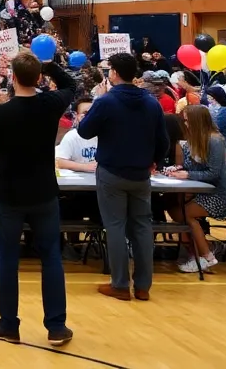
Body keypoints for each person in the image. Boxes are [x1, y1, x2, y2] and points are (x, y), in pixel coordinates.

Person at [0, 49, 76, 347]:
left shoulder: (2, 112)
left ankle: (9, 323)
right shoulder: (51, 103)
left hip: (8, 194)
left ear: (13, 77)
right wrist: (47, 67)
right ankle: (57, 326)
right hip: (44, 192)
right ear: (38, 78)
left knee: (8, 259)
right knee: (51, 258)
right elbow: (71, 85)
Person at [77, 51, 168, 302]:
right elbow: (164, 140)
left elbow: (84, 131)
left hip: (112, 171)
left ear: (114, 73)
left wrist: (96, 104)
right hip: (141, 173)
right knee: (141, 227)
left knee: (115, 226)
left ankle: (119, 284)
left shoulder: (106, 101)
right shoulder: (151, 102)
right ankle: (143, 286)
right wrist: (154, 162)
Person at [165, 105, 226, 273]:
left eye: (187, 120)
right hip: (201, 190)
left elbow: (213, 173)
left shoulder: (215, 141)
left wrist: (187, 175)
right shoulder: (192, 140)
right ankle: (201, 251)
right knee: (174, 208)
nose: (185, 124)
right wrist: (177, 169)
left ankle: (206, 256)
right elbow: (189, 165)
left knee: (185, 214)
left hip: (216, 193)